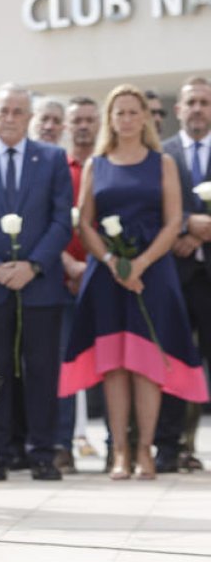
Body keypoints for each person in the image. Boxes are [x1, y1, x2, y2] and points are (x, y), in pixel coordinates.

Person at [60, 84, 207, 480]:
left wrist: (139, 264)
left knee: (145, 364)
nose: (126, 119)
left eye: (132, 112)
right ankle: (120, 451)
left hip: (153, 274)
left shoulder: (162, 164)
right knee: (114, 367)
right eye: (119, 112)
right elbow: (85, 222)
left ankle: (146, 450)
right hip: (107, 276)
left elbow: (174, 221)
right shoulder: (97, 164)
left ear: (145, 117)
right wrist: (111, 261)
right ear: (111, 118)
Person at [0, 83, 72, 481]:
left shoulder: (53, 158)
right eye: (4, 110)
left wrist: (33, 265)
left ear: (29, 117)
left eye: (18, 111)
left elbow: (61, 220)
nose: (10, 118)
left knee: (42, 369)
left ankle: (42, 452)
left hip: (40, 285)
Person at [159, 76, 211, 473]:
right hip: (173, 277)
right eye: (191, 102)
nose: (197, 109)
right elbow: (150, 208)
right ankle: (171, 446)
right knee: (173, 363)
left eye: (204, 103)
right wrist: (183, 228)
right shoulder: (162, 155)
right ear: (178, 109)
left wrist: (201, 230)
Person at [55, 97, 102, 473]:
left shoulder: (110, 167)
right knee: (65, 367)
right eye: (77, 120)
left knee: (116, 364)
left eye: (90, 119)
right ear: (68, 127)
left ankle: (121, 445)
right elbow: (44, 221)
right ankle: (61, 445)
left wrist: (98, 266)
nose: (83, 125)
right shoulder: (57, 168)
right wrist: (68, 264)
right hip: (62, 281)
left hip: (109, 279)